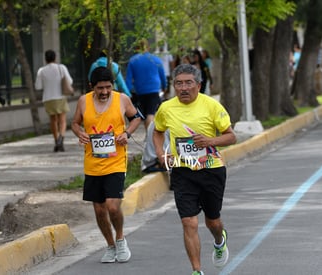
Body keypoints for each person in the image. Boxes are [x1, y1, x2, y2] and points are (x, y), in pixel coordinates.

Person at [153, 64, 237, 275]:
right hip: (182, 171)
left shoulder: (211, 106)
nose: (183, 88)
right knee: (188, 221)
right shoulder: (166, 108)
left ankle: (219, 240)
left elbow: (231, 136)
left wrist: (209, 140)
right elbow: (158, 132)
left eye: (188, 83)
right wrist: (161, 154)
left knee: (212, 221)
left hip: (211, 170)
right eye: (178, 83)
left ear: (198, 85)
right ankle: (197, 271)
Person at [71, 66, 142, 263]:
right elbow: (75, 123)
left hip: (116, 161)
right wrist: (80, 133)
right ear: (92, 86)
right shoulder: (84, 101)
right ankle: (110, 246)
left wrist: (126, 134)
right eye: (100, 88)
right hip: (93, 163)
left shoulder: (122, 99)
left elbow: (136, 118)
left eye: (108, 87)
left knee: (112, 206)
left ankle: (120, 239)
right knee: (99, 209)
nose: (104, 92)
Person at [35, 49, 72, 152]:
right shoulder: (61, 68)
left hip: (48, 98)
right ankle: (61, 138)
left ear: (45, 59)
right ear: (55, 58)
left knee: (53, 120)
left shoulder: (41, 71)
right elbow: (70, 81)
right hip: (60, 97)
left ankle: (56, 141)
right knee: (62, 120)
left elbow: (38, 86)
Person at [126, 39, 167, 131]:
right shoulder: (156, 59)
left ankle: (148, 135)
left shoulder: (133, 60)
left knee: (143, 114)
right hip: (153, 89)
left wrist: (128, 92)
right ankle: (149, 136)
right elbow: (162, 76)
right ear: (148, 47)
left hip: (140, 91)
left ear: (137, 48)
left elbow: (128, 79)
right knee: (151, 113)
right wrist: (164, 87)